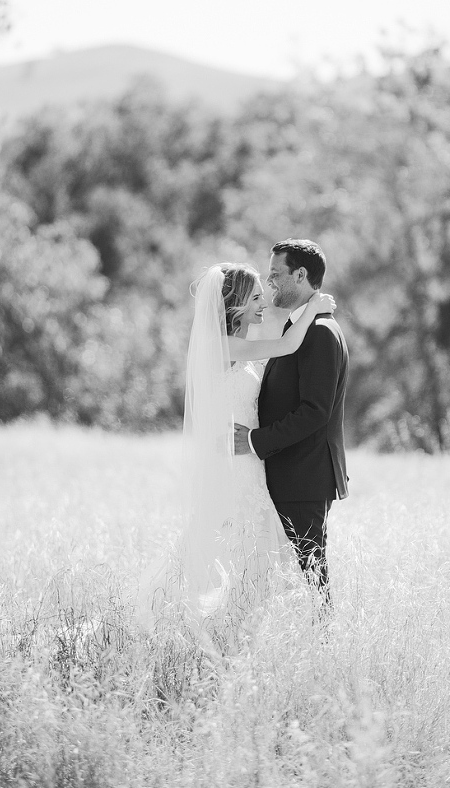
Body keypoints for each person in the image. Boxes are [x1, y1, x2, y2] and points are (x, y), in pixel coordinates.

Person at [138, 262, 335, 652]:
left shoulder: (238, 348)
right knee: (238, 553)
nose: (263, 302)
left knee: (255, 561)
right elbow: (286, 345)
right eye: (257, 296)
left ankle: (241, 639)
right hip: (234, 468)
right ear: (238, 303)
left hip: (250, 464)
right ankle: (204, 635)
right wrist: (314, 307)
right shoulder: (222, 346)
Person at [233, 239, 349, 608]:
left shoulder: (319, 332)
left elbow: (315, 411)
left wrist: (255, 441)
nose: (270, 285)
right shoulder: (301, 329)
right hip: (291, 473)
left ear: (301, 275)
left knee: (311, 573)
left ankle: (325, 642)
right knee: (296, 574)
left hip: (304, 474)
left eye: (276, 275)